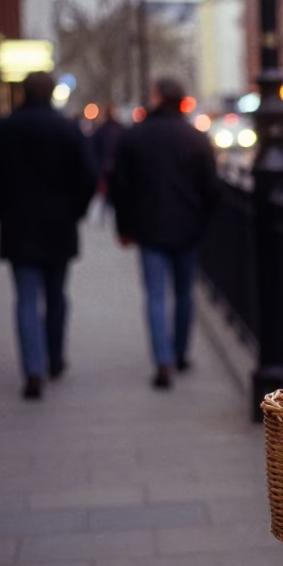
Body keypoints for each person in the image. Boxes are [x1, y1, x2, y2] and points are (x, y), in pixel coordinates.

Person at [0, 72, 97, 400]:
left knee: (26, 299)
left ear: (22, 94)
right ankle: (54, 357)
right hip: (59, 226)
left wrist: (3, 210)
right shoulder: (68, 129)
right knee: (56, 296)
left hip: (19, 226)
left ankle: (34, 368)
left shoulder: (2, 129)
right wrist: (75, 211)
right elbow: (88, 176)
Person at [112, 77, 220, 390]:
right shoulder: (196, 138)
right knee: (184, 293)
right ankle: (181, 351)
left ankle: (162, 360)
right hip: (188, 228)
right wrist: (202, 220)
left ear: (157, 97)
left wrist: (124, 228)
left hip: (149, 229)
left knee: (156, 295)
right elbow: (212, 189)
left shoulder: (135, 137)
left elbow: (121, 187)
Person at [90, 103, 125, 224]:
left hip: (105, 168)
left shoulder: (101, 130)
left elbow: (93, 150)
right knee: (114, 195)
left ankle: (103, 217)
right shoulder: (120, 129)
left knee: (105, 195)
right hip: (116, 168)